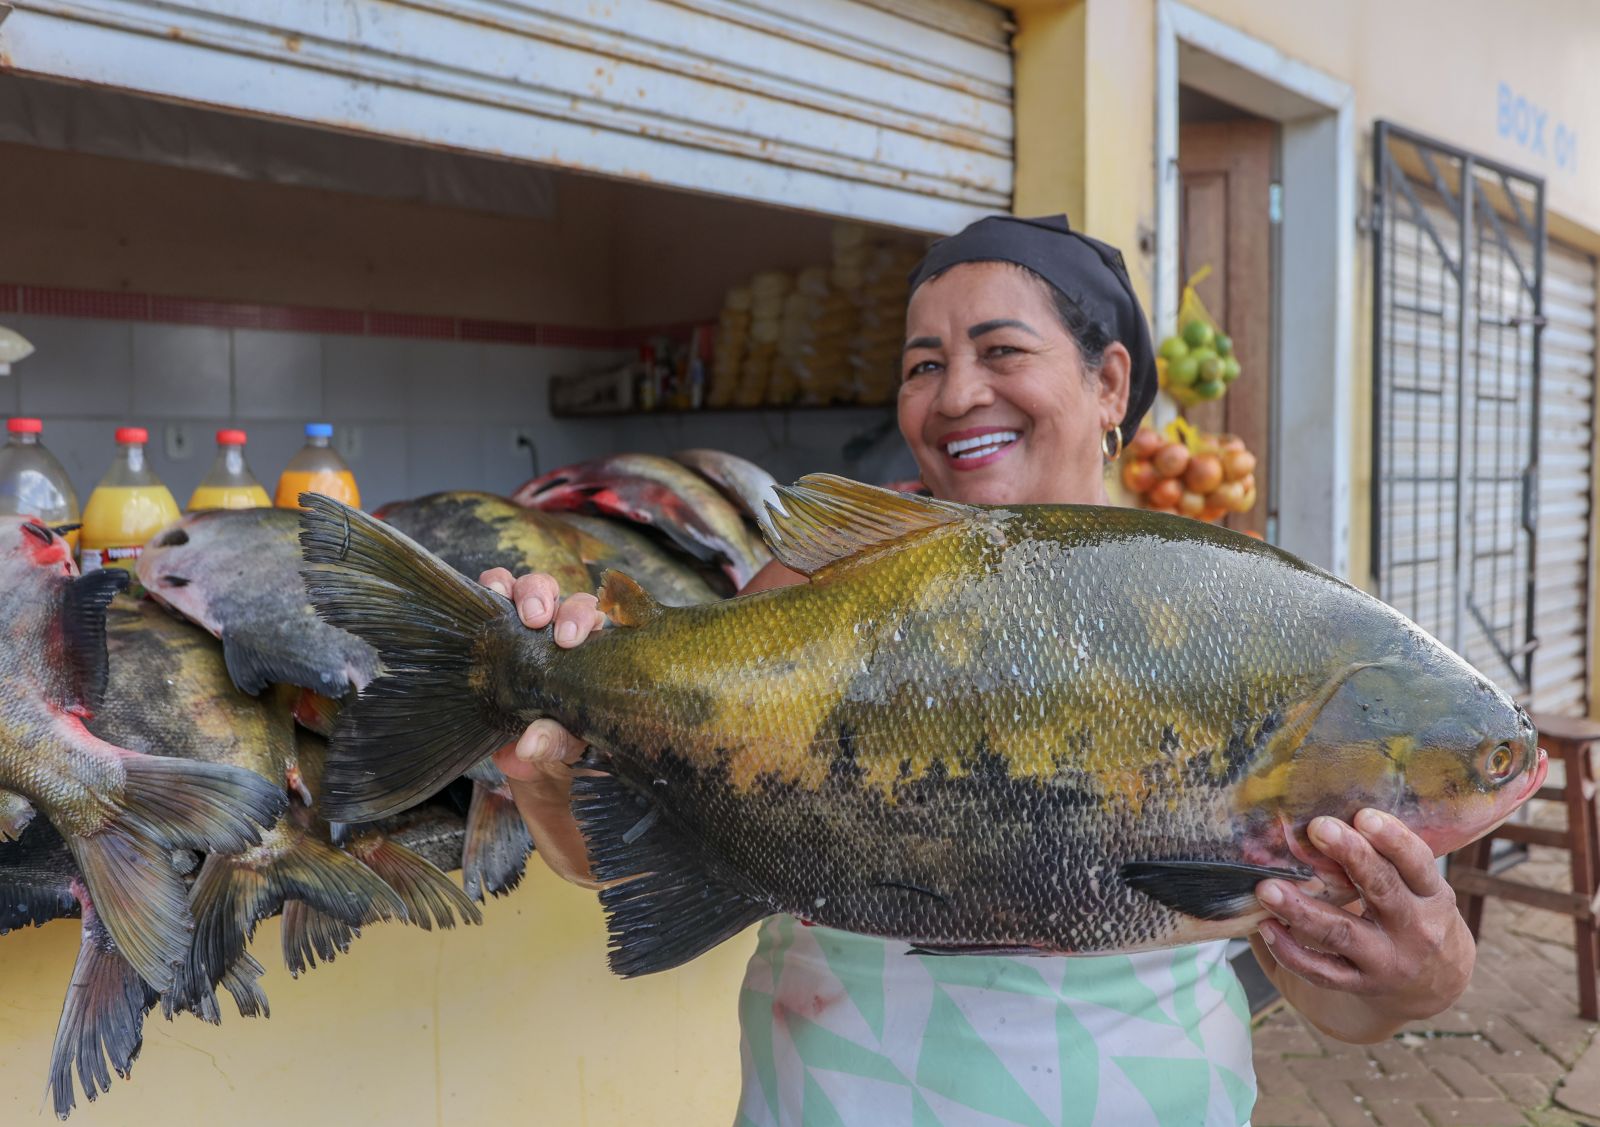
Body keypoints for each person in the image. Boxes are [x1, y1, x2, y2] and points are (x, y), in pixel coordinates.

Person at [480, 215, 1476, 1126]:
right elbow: (651, 845)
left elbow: (1331, 983)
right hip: (832, 1088)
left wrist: (1421, 973)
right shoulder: (812, 579)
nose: (957, 393)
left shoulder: (1215, 611)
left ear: (1109, 382)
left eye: (1001, 350)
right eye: (923, 364)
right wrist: (553, 775)